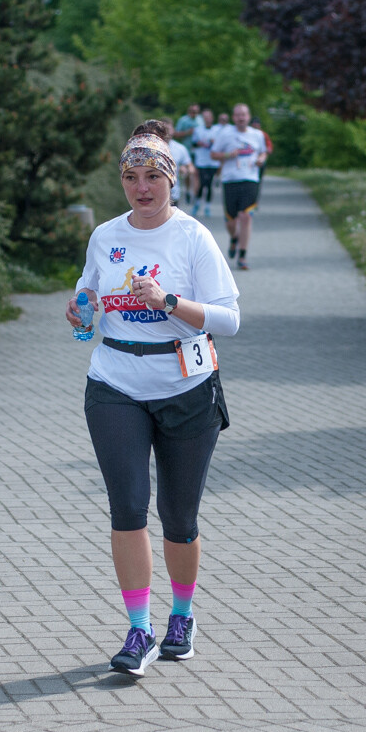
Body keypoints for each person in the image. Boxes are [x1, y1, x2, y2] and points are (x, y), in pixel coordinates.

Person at [65, 120, 240, 677]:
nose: (142, 188)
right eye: (131, 177)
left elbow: (229, 319)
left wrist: (169, 302)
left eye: (152, 177)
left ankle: (182, 616)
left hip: (186, 387)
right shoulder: (106, 236)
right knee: (127, 507)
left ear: (171, 179)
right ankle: (138, 630)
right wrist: (81, 307)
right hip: (115, 383)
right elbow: (88, 293)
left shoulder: (192, 237)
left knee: (179, 516)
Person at [211, 103, 267, 270]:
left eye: (244, 114)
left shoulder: (257, 135)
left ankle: (242, 255)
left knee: (246, 216)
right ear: (234, 117)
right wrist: (228, 155)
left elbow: (263, 152)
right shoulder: (225, 134)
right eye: (238, 115)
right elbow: (213, 154)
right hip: (230, 180)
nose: (241, 118)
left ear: (248, 117)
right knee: (231, 220)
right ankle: (234, 237)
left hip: (250, 179)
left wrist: (261, 159)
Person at [160, 116, 198, 209]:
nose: (166, 132)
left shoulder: (180, 148)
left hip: (173, 195)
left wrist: (186, 170)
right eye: (163, 129)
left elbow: (190, 166)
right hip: (155, 195)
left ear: (173, 130)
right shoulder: (151, 148)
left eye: (168, 129)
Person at [190, 109, 220, 218]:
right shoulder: (198, 130)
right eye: (205, 117)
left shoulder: (217, 130)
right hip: (201, 161)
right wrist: (199, 143)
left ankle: (207, 206)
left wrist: (214, 143)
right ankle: (197, 204)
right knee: (202, 183)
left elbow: (220, 145)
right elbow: (193, 144)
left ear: (212, 118)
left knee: (209, 184)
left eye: (209, 117)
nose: (207, 119)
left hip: (213, 162)